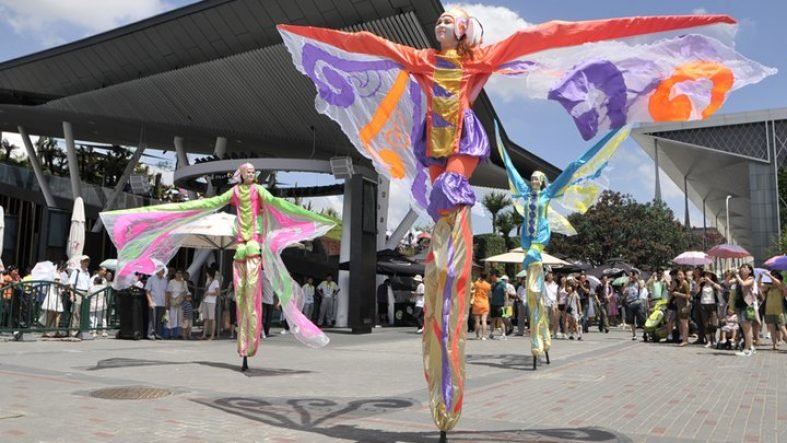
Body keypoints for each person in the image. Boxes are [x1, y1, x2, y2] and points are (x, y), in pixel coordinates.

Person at [278, 8, 772, 438]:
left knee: (466, 227)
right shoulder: (421, 60)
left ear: (464, 31)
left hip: (470, 164)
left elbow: (556, 34)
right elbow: (369, 45)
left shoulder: (480, 62)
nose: (441, 23)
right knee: (442, 243)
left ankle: (524, 338)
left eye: (450, 20)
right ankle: (447, 347)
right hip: (433, 149)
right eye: (440, 19)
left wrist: (675, 24)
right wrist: (307, 34)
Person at [101, 162, 334, 372]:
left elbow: (277, 203)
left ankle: (250, 343)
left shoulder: (259, 191)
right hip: (241, 250)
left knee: (251, 297)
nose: (251, 174)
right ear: (241, 174)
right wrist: (186, 208)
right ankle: (243, 345)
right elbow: (211, 202)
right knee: (241, 298)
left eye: (253, 172)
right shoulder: (235, 192)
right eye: (248, 171)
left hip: (252, 247)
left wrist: (310, 217)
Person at [68, 256, 92, 338]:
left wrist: (89, 293)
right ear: (81, 262)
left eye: (87, 261)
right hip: (78, 292)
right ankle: (73, 331)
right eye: (84, 261)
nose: (86, 263)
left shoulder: (87, 273)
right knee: (76, 312)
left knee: (83, 313)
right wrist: (72, 295)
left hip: (85, 293)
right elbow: (71, 284)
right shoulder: (76, 271)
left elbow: (89, 285)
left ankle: (80, 330)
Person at [165, 270, 189, 339]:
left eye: (180, 273)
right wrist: (167, 302)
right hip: (173, 301)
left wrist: (182, 298)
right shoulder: (171, 282)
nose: (179, 275)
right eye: (178, 273)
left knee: (180, 318)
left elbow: (186, 292)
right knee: (172, 317)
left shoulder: (184, 282)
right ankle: (171, 334)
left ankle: (179, 334)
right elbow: (168, 292)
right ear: (175, 274)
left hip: (181, 302)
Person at [145, 268, 168, 339]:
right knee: (152, 319)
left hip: (162, 302)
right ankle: (150, 333)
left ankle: (158, 333)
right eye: (161, 271)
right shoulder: (151, 279)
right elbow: (147, 291)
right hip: (154, 302)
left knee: (160, 319)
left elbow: (166, 292)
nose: (162, 272)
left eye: (163, 271)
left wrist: (166, 302)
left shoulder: (165, 280)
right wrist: (150, 302)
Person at [201, 269, 219, 340]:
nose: (206, 275)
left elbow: (217, 293)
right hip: (206, 300)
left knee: (212, 318)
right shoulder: (208, 281)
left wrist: (209, 293)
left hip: (211, 302)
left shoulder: (216, 282)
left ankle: (212, 335)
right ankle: (204, 334)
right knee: (205, 318)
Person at [471, 273, 491, 340]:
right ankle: (484, 336)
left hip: (477, 303)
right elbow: (489, 294)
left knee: (477, 321)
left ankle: (477, 335)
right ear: (486, 277)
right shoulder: (488, 285)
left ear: (480, 276)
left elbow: (472, 289)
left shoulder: (476, 283)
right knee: (484, 320)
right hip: (485, 303)